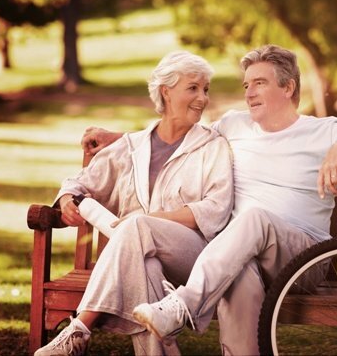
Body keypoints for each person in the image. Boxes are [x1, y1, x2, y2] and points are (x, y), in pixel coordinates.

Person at [83, 44, 337, 355]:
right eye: (246, 85)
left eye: (259, 83)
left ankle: (183, 306)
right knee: (240, 271)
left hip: (303, 259)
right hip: (239, 254)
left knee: (254, 218)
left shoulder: (325, 131)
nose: (249, 93)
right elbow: (178, 131)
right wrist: (118, 138)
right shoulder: (234, 125)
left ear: (288, 87)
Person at [34, 51, 234, 356]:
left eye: (205, 89)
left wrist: (154, 219)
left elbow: (215, 210)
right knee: (146, 267)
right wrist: (65, 199)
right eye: (192, 88)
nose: (202, 98)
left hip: (194, 260)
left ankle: (80, 328)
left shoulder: (212, 146)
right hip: (138, 259)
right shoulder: (131, 147)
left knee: (139, 224)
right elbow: (78, 183)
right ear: (166, 91)